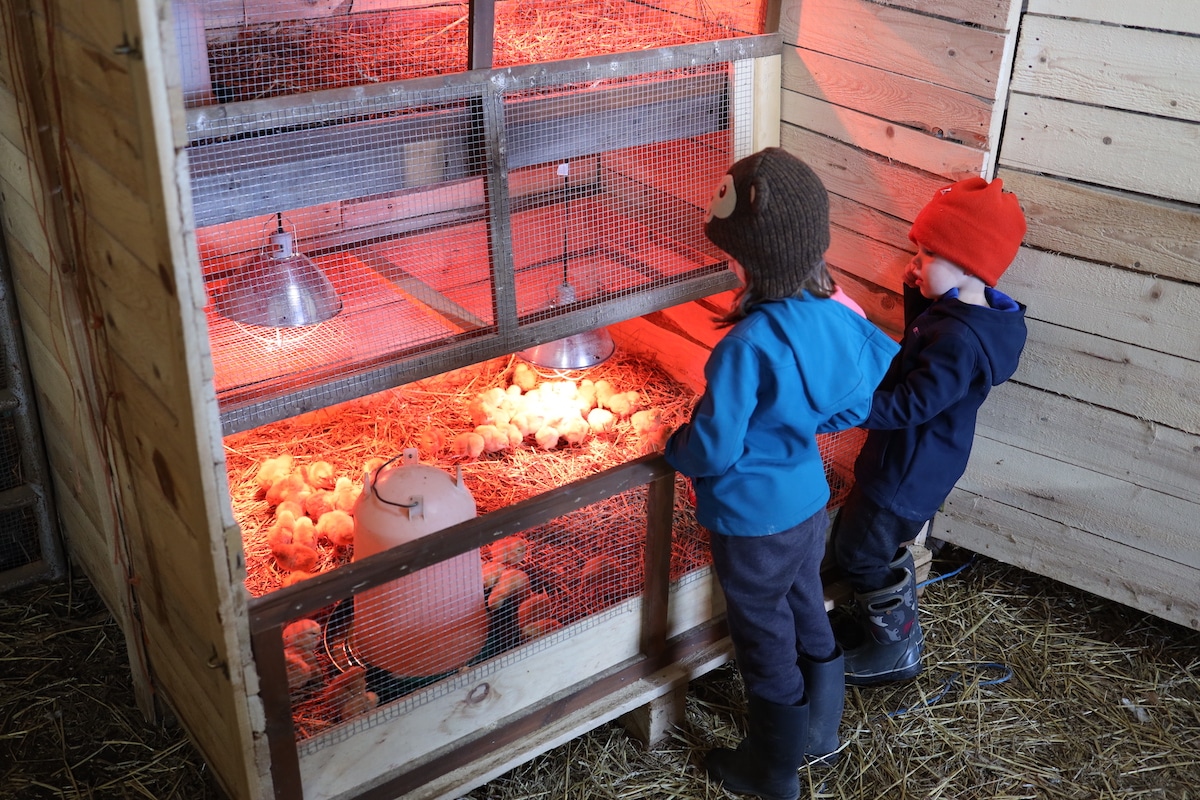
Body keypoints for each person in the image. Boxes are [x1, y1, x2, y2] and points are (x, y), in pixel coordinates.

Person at [664, 148, 898, 800]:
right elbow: (860, 398)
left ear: (752, 262)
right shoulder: (833, 315)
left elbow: (712, 448)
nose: (728, 264)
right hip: (806, 502)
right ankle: (822, 731)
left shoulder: (744, 347)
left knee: (762, 632)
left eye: (733, 254)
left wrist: (673, 443)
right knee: (805, 604)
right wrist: (798, 421)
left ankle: (769, 771)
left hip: (752, 519)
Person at [830, 176, 1028, 686]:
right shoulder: (961, 314)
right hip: (917, 461)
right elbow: (925, 331)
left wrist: (853, 407)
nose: (913, 264)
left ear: (966, 267)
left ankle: (895, 650)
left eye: (925, 255)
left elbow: (916, 401)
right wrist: (921, 280)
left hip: (906, 470)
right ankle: (886, 620)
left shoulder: (959, 339)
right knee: (869, 541)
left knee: (860, 552)